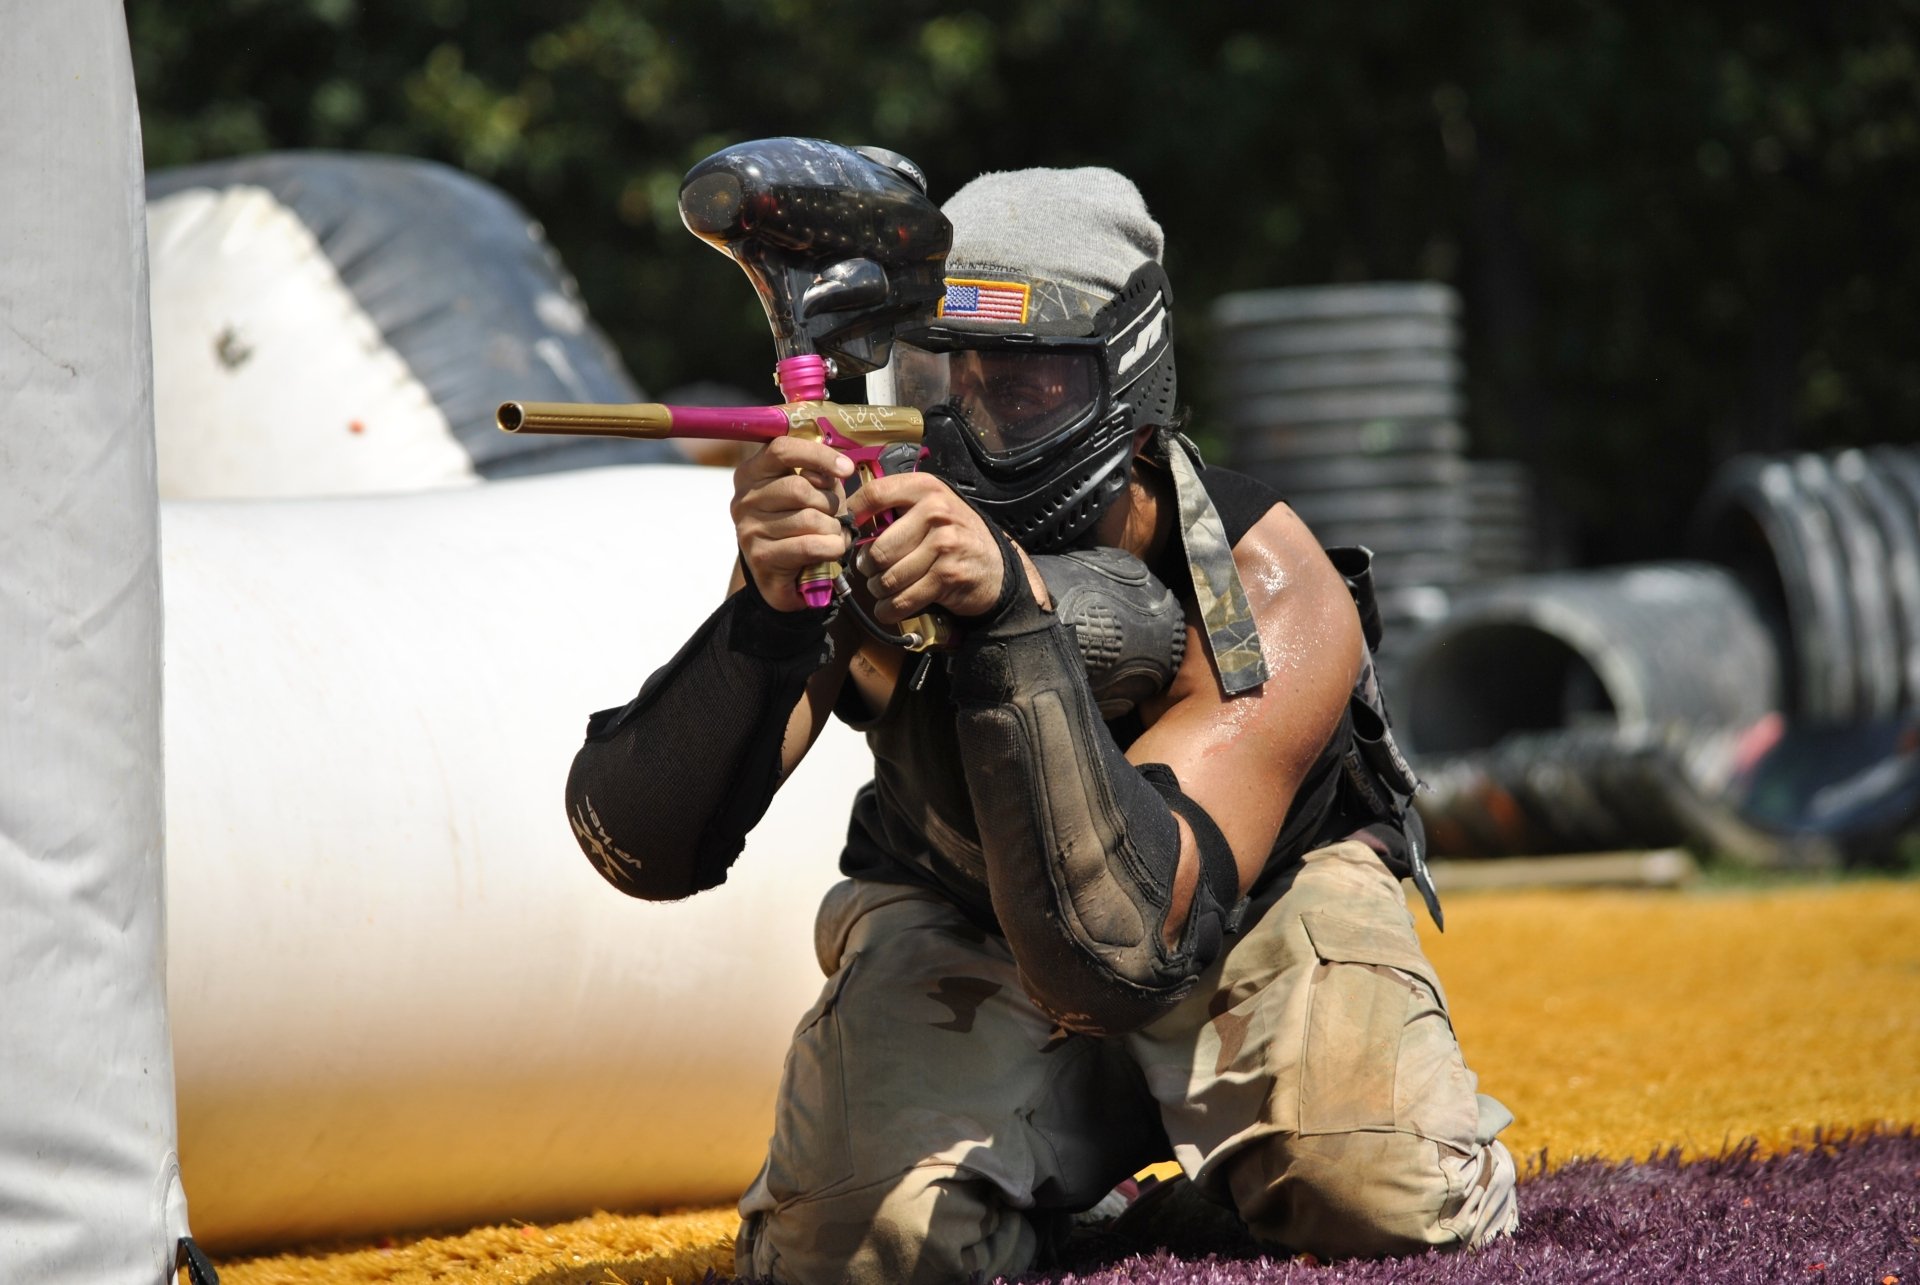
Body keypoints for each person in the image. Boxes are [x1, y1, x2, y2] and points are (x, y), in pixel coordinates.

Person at [564, 166, 1518, 1285]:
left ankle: (1236, 1145)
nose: (966, 427)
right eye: (935, 374)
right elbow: (646, 842)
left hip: (1248, 917)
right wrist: (770, 617)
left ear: (1130, 383)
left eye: (1021, 391)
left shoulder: (1265, 586)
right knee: (853, 1249)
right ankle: (1060, 1151)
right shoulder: (872, 532)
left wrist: (1009, 616)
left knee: (1378, 1190)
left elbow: (1126, 946)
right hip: (965, 913)